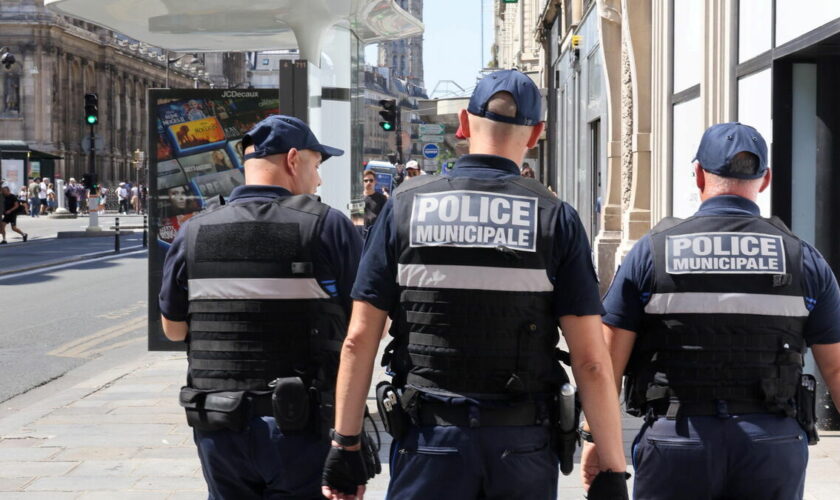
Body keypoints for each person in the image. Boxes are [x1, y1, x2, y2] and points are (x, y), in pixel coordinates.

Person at [322, 69, 629, 500]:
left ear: (463, 125)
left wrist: (345, 443)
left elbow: (358, 340)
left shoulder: (404, 208)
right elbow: (592, 361)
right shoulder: (555, 217)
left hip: (430, 441)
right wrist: (611, 465)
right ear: (537, 133)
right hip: (522, 446)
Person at [591, 122, 840, 500]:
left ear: (698, 175)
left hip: (678, 440)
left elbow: (605, 364)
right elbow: (836, 368)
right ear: (766, 179)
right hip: (770, 445)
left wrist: (597, 441)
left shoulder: (652, 253)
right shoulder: (802, 258)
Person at [158, 114, 363, 499]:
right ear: (292, 160)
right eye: (316, 166)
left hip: (217, 424)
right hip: (299, 428)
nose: (318, 179)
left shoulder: (193, 231)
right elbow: (363, 329)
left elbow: (174, 329)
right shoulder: (329, 226)